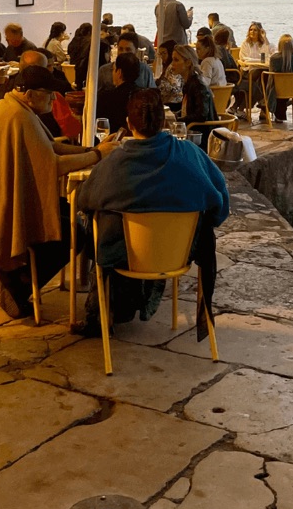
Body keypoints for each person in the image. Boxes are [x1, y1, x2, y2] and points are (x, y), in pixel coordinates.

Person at [0, 66, 117, 319]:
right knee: (68, 234)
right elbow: (52, 166)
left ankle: (15, 278)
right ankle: (13, 283)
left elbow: (49, 149)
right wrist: (97, 155)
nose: (54, 99)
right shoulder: (18, 117)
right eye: (49, 94)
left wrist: (91, 150)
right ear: (30, 93)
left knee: (65, 216)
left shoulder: (14, 108)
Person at [75, 88, 229, 336]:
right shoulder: (191, 155)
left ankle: (104, 313)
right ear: (164, 121)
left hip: (126, 256)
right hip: (181, 253)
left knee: (103, 223)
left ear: (128, 123)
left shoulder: (113, 164)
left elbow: (85, 201)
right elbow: (220, 204)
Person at [171, 45, 218, 137]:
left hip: (201, 135)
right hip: (192, 130)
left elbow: (201, 115)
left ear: (188, 63)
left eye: (176, 60)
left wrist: (179, 120)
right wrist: (175, 116)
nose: (172, 64)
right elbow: (188, 109)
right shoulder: (189, 82)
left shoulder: (198, 85)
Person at [96, 52, 141, 133]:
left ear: (119, 72)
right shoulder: (143, 96)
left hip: (112, 142)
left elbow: (99, 127)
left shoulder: (106, 98)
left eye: (113, 69)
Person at [267, 35, 293, 122]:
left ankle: (265, 105)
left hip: (276, 91)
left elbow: (271, 76)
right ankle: (283, 105)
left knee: (265, 79)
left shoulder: (275, 58)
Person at [154, 39, 184, 113]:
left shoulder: (172, 67)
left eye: (164, 53)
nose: (161, 56)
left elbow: (175, 88)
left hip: (173, 103)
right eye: (160, 54)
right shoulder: (167, 67)